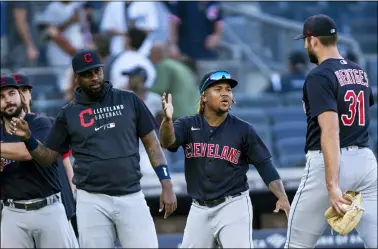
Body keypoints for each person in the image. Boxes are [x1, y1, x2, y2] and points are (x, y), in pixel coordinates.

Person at [8, 49, 177, 248]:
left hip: (131, 194)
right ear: (77, 77)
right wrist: (29, 138)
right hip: (92, 200)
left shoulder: (129, 100)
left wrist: (166, 183)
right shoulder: (68, 114)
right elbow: (47, 158)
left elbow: (153, 145)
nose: (94, 77)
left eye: (97, 71)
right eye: (87, 74)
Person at [159, 70, 290, 248]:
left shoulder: (244, 130)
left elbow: (264, 165)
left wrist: (282, 196)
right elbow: (168, 142)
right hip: (199, 208)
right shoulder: (187, 124)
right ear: (204, 97)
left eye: (228, 90)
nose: (225, 93)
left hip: (233, 205)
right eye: (218, 89)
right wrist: (167, 121)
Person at [285, 14, 377, 248]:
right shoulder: (360, 72)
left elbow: (330, 130)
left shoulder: (319, 75)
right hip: (365, 161)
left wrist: (332, 185)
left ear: (313, 41)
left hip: (330, 163)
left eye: (305, 41)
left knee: (296, 244)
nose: (306, 46)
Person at [0, 75, 72, 248]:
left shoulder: (42, 123)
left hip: (48, 209)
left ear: (21, 96)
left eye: (11, 93)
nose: (8, 100)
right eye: (1, 97)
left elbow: (27, 152)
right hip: (12, 212)